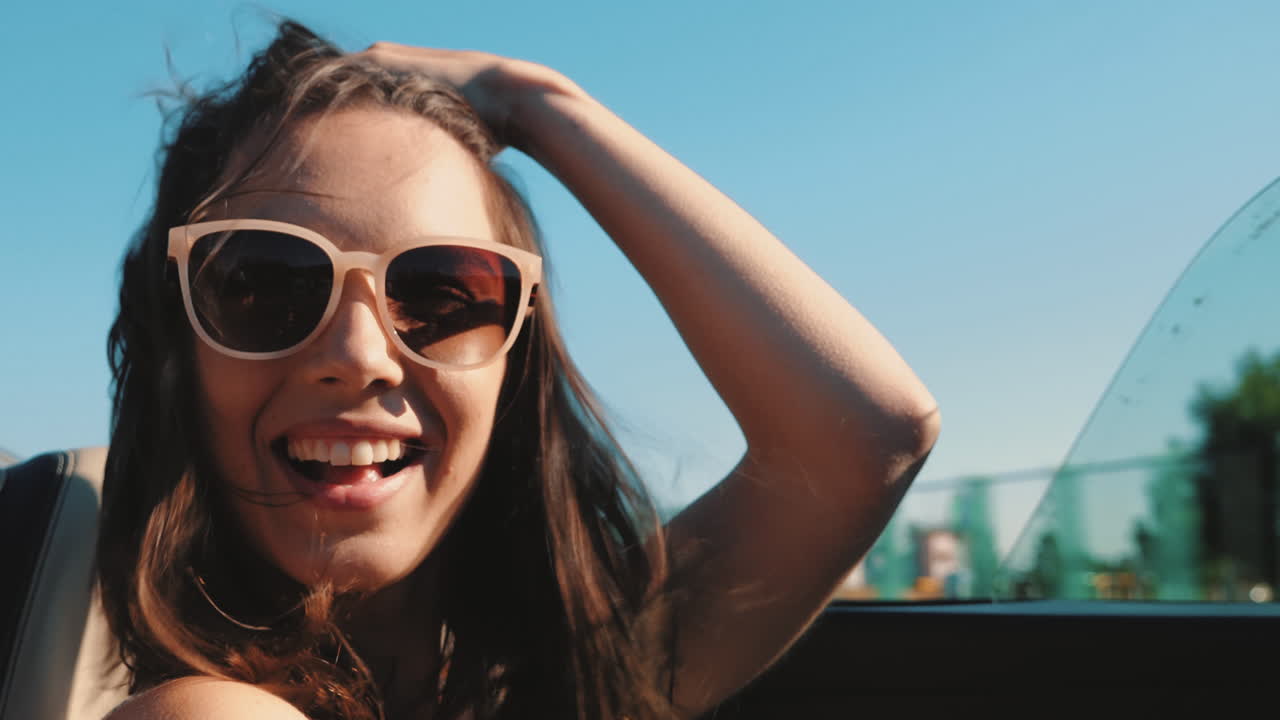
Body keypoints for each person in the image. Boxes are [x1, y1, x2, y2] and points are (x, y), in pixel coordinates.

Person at [98, 20, 939, 720]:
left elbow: (868, 435)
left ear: (515, 359)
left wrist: (536, 102)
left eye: (443, 294)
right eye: (263, 285)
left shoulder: (567, 674)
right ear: (179, 348)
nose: (357, 357)